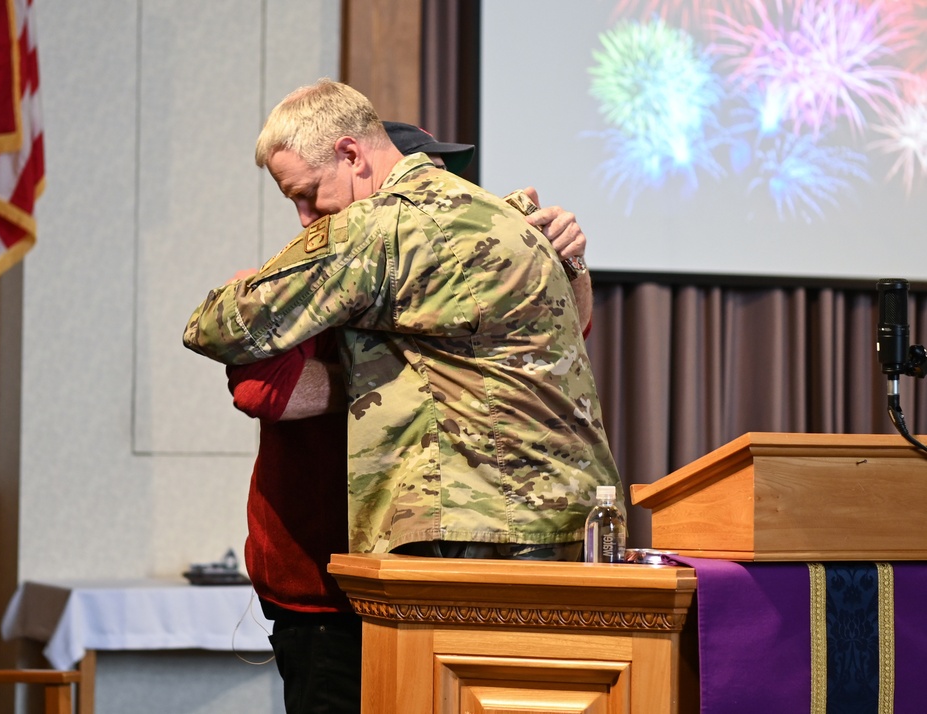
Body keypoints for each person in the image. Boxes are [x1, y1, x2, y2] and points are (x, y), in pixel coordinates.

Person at [224, 121, 599, 714]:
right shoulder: (322, 270)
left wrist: (563, 265)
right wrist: (413, 380)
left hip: (436, 568)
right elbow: (260, 388)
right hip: (326, 584)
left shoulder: (471, 261)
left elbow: (562, 342)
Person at [184, 78, 619, 559]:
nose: (307, 217)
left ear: (351, 155)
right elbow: (565, 343)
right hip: (575, 522)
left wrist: (249, 283)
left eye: (306, 193)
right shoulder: (513, 218)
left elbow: (218, 327)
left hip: (470, 527)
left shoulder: (376, 228)